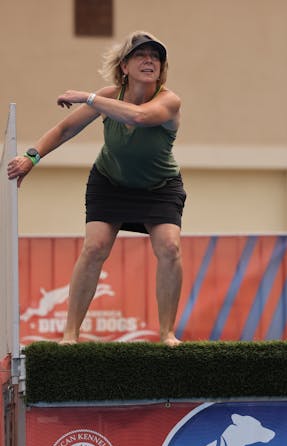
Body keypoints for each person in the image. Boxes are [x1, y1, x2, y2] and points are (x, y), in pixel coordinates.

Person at [6, 31, 185, 346]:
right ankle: (70, 334)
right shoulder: (109, 96)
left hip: (159, 186)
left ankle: (167, 333)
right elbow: (64, 129)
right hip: (110, 182)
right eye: (141, 55)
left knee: (169, 247)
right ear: (124, 67)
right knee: (95, 247)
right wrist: (31, 158)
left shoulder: (168, 100)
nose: (149, 61)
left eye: (155, 56)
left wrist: (87, 97)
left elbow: (142, 117)